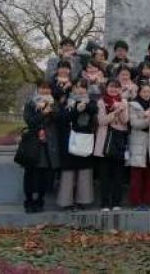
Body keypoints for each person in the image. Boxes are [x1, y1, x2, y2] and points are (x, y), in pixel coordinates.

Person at [57, 78, 97, 211]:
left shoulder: (91, 102)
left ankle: (83, 200)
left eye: (83, 87)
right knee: (68, 172)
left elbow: (93, 111)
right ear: (73, 88)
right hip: (69, 140)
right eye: (77, 87)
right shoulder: (67, 102)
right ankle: (66, 202)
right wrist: (76, 110)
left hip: (85, 140)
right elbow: (62, 118)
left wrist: (85, 106)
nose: (80, 90)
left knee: (84, 171)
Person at [22, 81, 60, 213]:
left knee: (44, 174)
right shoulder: (30, 103)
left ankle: (40, 201)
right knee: (30, 174)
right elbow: (30, 121)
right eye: (43, 88)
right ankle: (28, 201)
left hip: (48, 144)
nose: (46, 91)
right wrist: (43, 112)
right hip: (33, 142)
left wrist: (51, 110)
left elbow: (59, 119)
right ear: (38, 89)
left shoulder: (54, 104)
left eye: (48, 89)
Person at [93, 79, 129, 212]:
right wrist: (114, 112)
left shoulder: (124, 102)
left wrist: (121, 108)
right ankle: (104, 203)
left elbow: (125, 121)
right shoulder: (101, 102)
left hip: (119, 142)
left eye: (116, 87)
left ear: (120, 89)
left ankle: (116, 202)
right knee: (105, 176)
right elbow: (102, 121)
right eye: (111, 87)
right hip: (104, 142)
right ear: (106, 88)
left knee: (118, 176)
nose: (113, 90)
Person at [128, 83, 150, 210]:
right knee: (137, 176)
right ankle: (136, 202)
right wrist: (148, 120)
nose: (146, 94)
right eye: (144, 92)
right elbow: (134, 123)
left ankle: (148, 201)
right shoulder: (133, 105)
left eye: (148, 92)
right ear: (139, 93)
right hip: (138, 143)